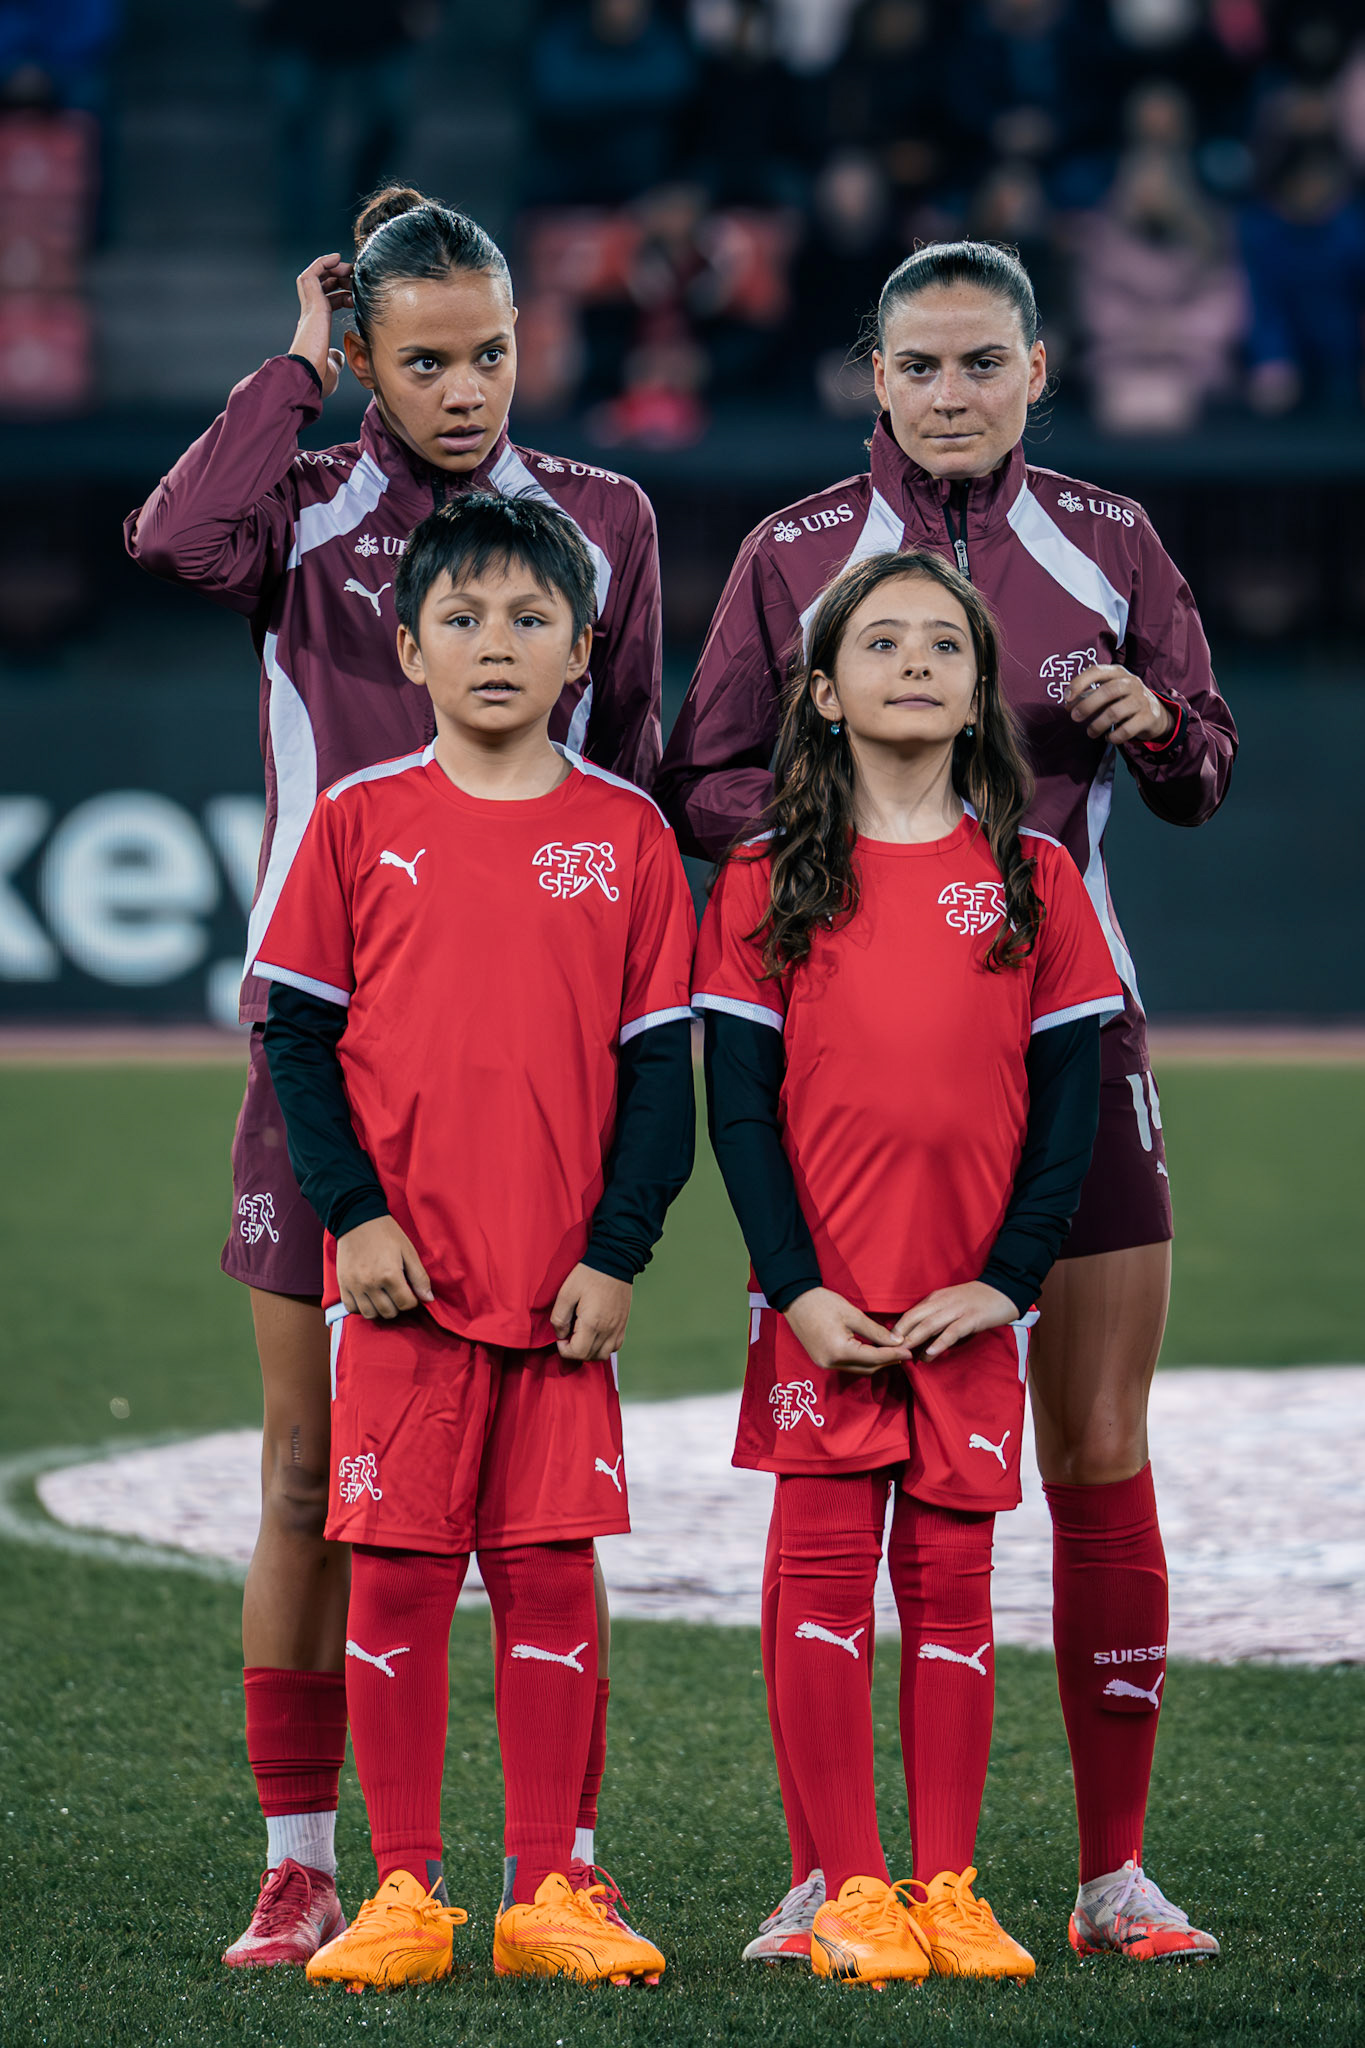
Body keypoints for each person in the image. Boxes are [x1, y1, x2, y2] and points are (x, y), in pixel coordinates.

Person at [656, 239, 1233, 1964]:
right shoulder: (793, 553)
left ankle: (1109, 1871)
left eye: (984, 363)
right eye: (919, 366)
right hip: (850, 1057)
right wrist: (890, 764)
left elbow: (1202, 765)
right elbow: (703, 780)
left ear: (1038, 372)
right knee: (836, 1459)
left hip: (1070, 1029)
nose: (951, 393)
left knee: (1097, 1448)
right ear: (875, 378)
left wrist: (1151, 729)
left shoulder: (1111, 541)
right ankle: (834, 1866)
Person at [124, 184, 664, 1968]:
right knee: (309, 1471)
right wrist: (287, 371)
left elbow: (643, 771)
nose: (463, 388)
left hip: (531, 1076)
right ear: (361, 352)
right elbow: (174, 542)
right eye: (421, 357)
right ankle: (303, 1858)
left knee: (536, 1484)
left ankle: (550, 1864)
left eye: (491, 352)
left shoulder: (603, 517)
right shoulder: (301, 504)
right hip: (329, 1048)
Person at [253, 491, 696, 1989]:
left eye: (528, 619)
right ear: (407, 644)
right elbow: (298, 1049)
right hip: (400, 1288)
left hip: (557, 1288)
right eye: (462, 618)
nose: (494, 644)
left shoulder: (626, 835)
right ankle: (400, 1890)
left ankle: (551, 1885)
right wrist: (355, 1218)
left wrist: (616, 1253)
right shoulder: (356, 820)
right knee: (394, 1580)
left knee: (551, 1574)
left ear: (582, 649)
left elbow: (656, 1080)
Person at [694, 548, 1123, 1985]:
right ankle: (851, 1886)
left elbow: (1065, 1117)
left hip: (967, 1312)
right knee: (819, 1582)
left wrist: (1003, 1284)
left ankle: (946, 1883)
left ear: (979, 692)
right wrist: (795, 1287)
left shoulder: (1032, 876)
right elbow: (739, 1112)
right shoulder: (764, 879)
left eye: (946, 644)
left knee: (952, 1585)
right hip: (818, 1308)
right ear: (820, 691)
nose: (917, 663)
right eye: (881, 644)